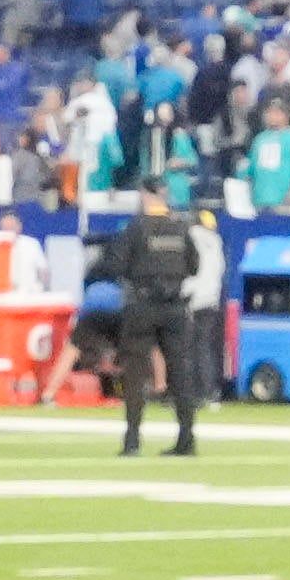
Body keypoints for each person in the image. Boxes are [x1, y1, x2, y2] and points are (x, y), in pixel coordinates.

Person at [98, 190, 212, 457]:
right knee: (180, 373)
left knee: (135, 373)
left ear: (147, 198)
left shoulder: (136, 228)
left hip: (143, 305)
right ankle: (186, 439)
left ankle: (133, 440)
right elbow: (194, 266)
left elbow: (115, 265)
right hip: (175, 306)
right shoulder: (181, 228)